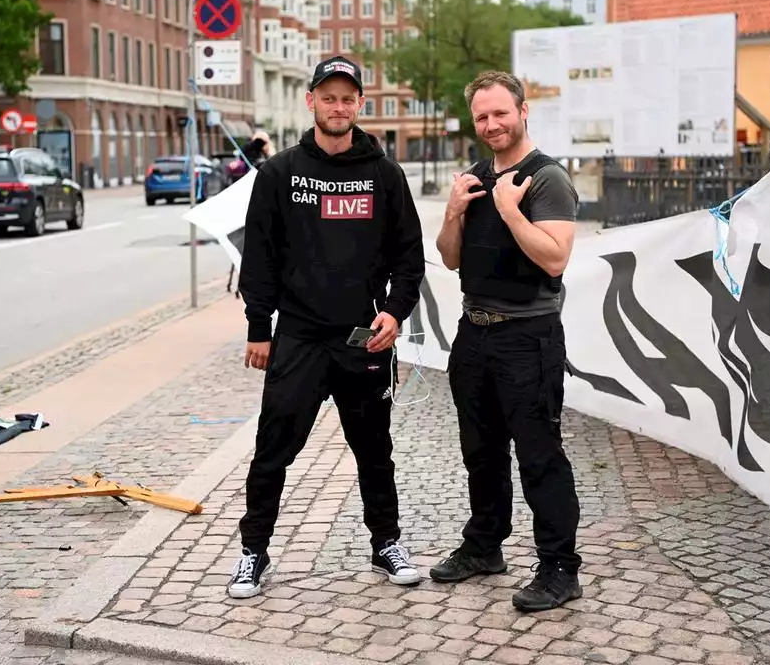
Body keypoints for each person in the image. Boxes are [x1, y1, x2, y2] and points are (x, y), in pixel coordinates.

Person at [229, 55, 426, 599]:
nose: (338, 107)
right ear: (311, 101)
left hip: (361, 337)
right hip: (297, 336)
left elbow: (409, 258)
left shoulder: (385, 175)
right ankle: (252, 551)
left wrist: (395, 311)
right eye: (328, 96)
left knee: (373, 447)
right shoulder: (280, 172)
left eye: (347, 98)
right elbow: (260, 259)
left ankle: (386, 543)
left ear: (360, 104)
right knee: (274, 448)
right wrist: (258, 327)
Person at [430, 70, 583, 612]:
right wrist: (454, 210)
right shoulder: (473, 177)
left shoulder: (547, 179)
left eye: (500, 113)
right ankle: (484, 547)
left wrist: (509, 208)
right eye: (482, 117)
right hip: (474, 334)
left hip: (528, 336)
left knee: (540, 455)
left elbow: (555, 257)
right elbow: (450, 257)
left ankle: (560, 569)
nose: (491, 124)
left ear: (523, 111)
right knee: (481, 451)